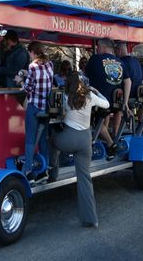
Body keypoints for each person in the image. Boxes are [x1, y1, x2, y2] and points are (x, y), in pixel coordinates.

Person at [49, 71, 109, 228]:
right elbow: (107, 104)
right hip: (85, 141)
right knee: (85, 179)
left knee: (52, 140)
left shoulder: (65, 97)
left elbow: (56, 114)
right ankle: (91, 219)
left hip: (67, 139)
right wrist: (96, 91)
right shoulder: (90, 97)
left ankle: (52, 172)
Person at [14, 41, 54, 184]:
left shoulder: (32, 66)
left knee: (30, 139)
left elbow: (28, 88)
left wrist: (20, 81)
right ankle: (44, 171)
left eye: (30, 53)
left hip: (34, 106)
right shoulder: (50, 64)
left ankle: (29, 171)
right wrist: (27, 74)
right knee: (43, 139)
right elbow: (42, 80)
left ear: (33, 52)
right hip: (46, 107)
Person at [85, 38, 131, 156]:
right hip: (116, 101)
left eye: (98, 47)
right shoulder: (120, 62)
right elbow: (128, 81)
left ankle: (111, 145)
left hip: (100, 101)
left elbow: (85, 77)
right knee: (102, 120)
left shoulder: (95, 59)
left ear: (102, 47)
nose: (97, 49)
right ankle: (104, 143)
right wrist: (125, 102)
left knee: (96, 123)